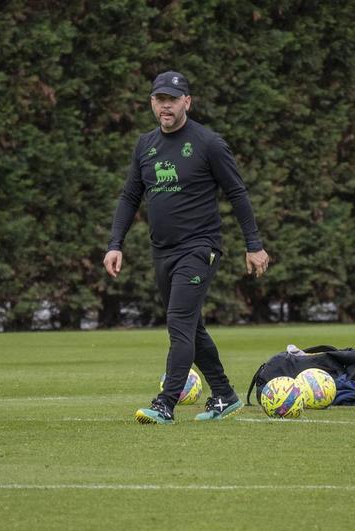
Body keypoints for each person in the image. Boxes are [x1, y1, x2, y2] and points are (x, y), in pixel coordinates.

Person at [103, 71, 270, 425]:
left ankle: (165, 403)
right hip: (161, 251)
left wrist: (253, 245)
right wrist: (115, 244)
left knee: (178, 322)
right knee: (191, 327)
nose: (165, 105)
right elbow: (131, 195)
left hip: (199, 248)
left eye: (172, 99)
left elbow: (237, 193)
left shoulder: (208, 143)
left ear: (187, 103)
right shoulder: (145, 145)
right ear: (152, 102)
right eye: (159, 99)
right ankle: (224, 395)